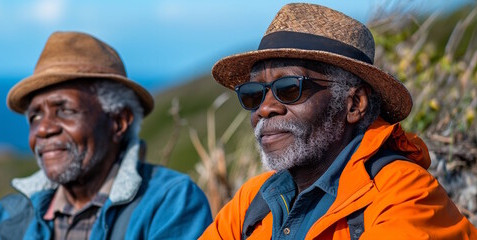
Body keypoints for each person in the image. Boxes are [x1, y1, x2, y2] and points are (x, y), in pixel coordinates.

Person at [200, 3, 477, 239]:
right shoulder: (253, 199)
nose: (265, 108)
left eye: (289, 89)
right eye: (253, 95)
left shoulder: (404, 194)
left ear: (354, 104)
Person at [0, 31, 212, 240]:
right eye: (35, 117)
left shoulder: (169, 203)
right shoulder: (8, 218)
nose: (43, 129)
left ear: (118, 122)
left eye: (65, 110)